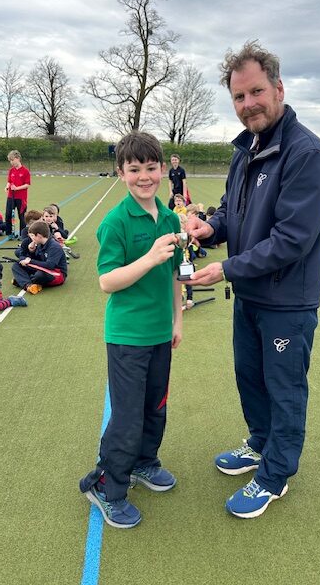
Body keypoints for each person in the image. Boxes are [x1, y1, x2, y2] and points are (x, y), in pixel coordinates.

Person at [186, 41, 320, 519]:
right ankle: (260, 444)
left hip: (286, 303)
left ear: (278, 88)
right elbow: (234, 211)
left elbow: (291, 239)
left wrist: (227, 267)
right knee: (249, 378)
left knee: (284, 387)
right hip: (249, 294)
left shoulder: (307, 155)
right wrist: (210, 228)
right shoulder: (246, 149)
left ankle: (275, 475)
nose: (247, 103)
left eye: (256, 92)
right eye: (238, 96)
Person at [79, 130, 183, 530]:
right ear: (121, 172)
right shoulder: (116, 221)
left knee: (155, 406)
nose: (145, 176)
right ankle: (107, 486)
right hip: (126, 335)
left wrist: (177, 319)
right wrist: (150, 256)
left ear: (162, 170)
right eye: (135, 169)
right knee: (127, 416)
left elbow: (175, 275)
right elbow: (107, 281)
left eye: (151, 168)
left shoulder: (171, 217)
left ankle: (144, 462)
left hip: (160, 331)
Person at [11, 220, 67, 294]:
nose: (32, 239)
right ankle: (28, 285)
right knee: (16, 265)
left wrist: (30, 261)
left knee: (39, 275)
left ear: (39, 236)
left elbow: (50, 265)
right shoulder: (40, 244)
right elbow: (38, 259)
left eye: (33, 236)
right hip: (43, 269)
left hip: (56, 273)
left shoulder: (54, 247)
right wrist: (32, 252)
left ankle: (22, 281)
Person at [5, 149, 31, 237]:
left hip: (21, 197)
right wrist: (7, 186)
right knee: (8, 214)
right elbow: (9, 181)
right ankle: (9, 233)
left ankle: (22, 234)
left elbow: (27, 184)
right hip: (11, 196)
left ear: (18, 158)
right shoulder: (11, 171)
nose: (11, 162)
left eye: (12, 160)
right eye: (10, 161)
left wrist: (17, 188)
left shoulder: (25, 171)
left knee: (22, 216)